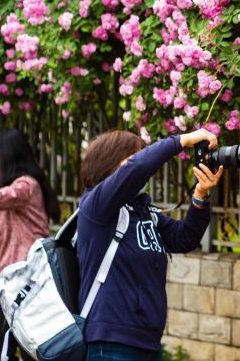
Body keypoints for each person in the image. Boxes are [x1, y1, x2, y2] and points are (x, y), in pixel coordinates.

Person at [76, 129, 224, 360]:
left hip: (147, 342)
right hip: (111, 342)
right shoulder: (97, 207)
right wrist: (181, 140)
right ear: (110, 163)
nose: (143, 171)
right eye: (133, 156)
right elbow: (138, 168)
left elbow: (184, 238)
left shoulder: (143, 213)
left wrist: (200, 195)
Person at [0, 128, 61, 361]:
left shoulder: (26, 186)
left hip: (27, 281)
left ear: (7, 152)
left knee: (10, 349)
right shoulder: (15, 188)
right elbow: (9, 245)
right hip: (13, 281)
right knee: (12, 348)